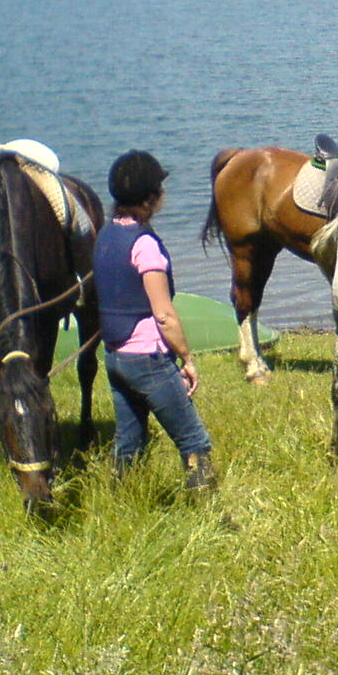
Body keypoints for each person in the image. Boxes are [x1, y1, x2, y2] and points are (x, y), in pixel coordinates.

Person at [93, 149, 215, 490]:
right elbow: (163, 314)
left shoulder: (105, 236)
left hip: (116, 357)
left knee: (128, 443)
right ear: (150, 199)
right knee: (194, 442)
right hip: (148, 359)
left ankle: (120, 505)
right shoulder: (145, 245)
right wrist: (187, 358)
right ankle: (210, 515)